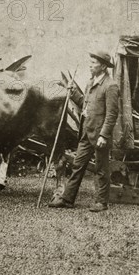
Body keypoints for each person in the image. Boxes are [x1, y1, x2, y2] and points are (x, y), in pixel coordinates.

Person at [49, 50, 120, 212]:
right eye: (90, 62)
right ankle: (67, 199)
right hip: (86, 132)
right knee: (78, 166)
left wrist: (104, 135)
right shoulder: (90, 83)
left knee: (101, 169)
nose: (90, 65)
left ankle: (101, 202)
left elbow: (112, 114)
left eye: (93, 63)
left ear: (102, 66)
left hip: (99, 135)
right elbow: (84, 104)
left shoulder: (110, 86)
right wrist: (73, 92)